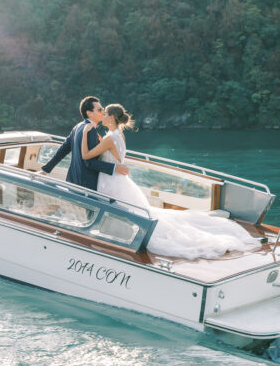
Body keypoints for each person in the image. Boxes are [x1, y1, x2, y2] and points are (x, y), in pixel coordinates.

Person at [82, 103, 261, 260]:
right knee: (129, 212)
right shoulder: (119, 135)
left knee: (119, 212)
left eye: (104, 113)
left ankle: (115, 239)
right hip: (120, 180)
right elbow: (112, 153)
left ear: (111, 117)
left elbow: (86, 155)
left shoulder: (108, 138)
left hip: (112, 182)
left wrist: (84, 133)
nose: (102, 116)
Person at [39, 95, 129, 191]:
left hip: (72, 181)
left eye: (103, 109)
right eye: (99, 110)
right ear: (89, 113)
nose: (103, 112)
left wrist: (46, 170)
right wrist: (115, 168)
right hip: (86, 186)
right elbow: (88, 162)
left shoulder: (78, 127)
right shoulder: (91, 131)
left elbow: (63, 149)